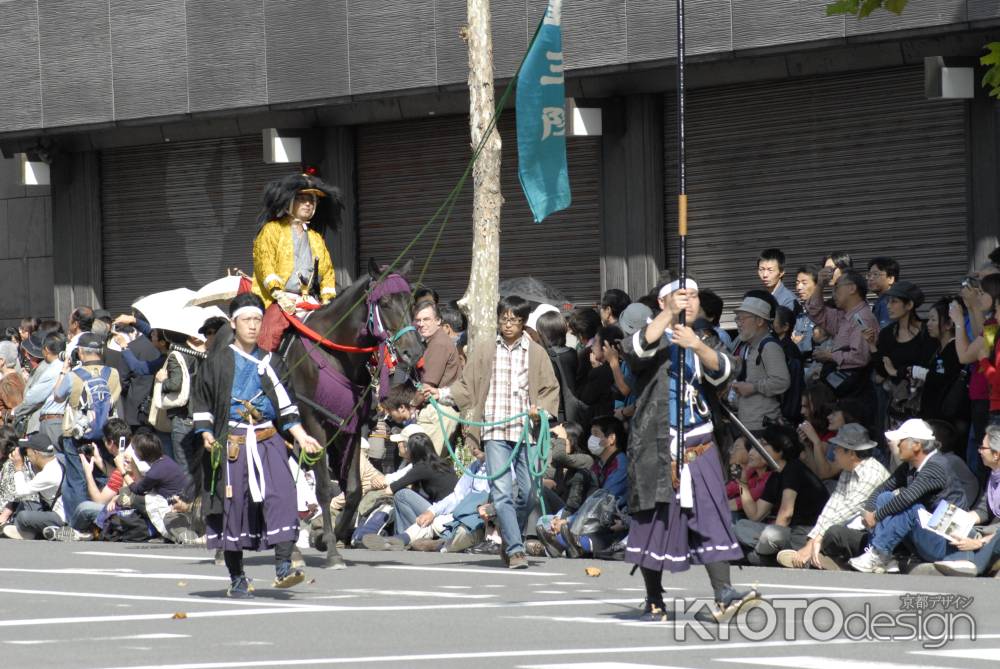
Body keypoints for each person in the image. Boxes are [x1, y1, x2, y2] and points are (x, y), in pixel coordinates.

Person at [621, 277, 756, 623]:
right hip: (658, 444)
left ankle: (724, 594)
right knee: (656, 520)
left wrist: (696, 344)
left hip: (701, 442)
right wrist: (667, 315)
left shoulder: (705, 338)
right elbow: (634, 351)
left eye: (694, 295)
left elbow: (723, 372)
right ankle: (654, 598)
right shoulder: (654, 336)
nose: (690, 301)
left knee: (714, 516)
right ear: (664, 302)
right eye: (682, 296)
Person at [191, 292, 324, 597]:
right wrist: (206, 433)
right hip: (233, 443)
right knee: (232, 508)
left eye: (257, 320)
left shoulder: (272, 361)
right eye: (246, 320)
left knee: (283, 495)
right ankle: (237, 577)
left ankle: (283, 567)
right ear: (233, 323)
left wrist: (302, 436)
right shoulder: (217, 361)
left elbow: (287, 406)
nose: (252, 326)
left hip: (267, 438)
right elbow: (203, 400)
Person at [425, 295, 560, 570]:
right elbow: (466, 387)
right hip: (495, 432)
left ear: (523, 322)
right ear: (498, 318)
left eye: (515, 319)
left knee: (531, 493)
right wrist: (439, 393)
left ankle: (512, 536)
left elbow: (550, 390)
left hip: (525, 433)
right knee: (501, 492)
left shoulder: (536, 353)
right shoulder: (486, 350)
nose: (508, 324)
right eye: (504, 318)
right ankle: (515, 549)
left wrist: (541, 411)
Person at [848, 419, 970, 573]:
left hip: (947, 543)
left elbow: (907, 497)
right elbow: (882, 488)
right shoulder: (911, 466)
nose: (897, 445)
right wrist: (869, 510)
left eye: (901, 441)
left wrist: (876, 516)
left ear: (917, 445)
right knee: (885, 497)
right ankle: (882, 555)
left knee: (912, 507)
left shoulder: (936, 466)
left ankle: (879, 553)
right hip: (929, 532)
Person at [776, 423, 889, 570]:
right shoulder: (848, 470)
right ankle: (820, 558)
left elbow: (846, 511)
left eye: (838, 448)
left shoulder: (871, 473)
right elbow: (833, 505)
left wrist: (815, 540)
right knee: (813, 534)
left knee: (833, 533)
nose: (834, 451)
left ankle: (818, 559)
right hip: (851, 525)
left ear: (852, 453)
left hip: (871, 535)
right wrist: (812, 539)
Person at [252, 172, 341, 351]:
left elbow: (328, 273)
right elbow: (265, 265)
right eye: (302, 198)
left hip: (310, 301)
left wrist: (328, 301)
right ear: (289, 201)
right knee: (270, 335)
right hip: (281, 300)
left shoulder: (316, 238)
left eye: (312, 200)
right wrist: (279, 294)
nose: (308, 203)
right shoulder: (272, 230)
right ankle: (262, 372)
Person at [733, 423, 829, 566]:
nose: (759, 449)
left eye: (764, 445)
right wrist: (742, 484)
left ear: (780, 450)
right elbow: (755, 515)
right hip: (790, 532)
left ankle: (761, 557)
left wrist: (769, 538)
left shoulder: (793, 468)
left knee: (770, 534)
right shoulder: (775, 476)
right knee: (740, 526)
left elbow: (786, 514)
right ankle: (769, 557)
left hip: (808, 533)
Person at [52, 332, 122, 525]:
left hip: (76, 434)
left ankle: (78, 524)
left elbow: (57, 395)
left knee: (77, 479)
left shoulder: (74, 376)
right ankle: (102, 521)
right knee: (101, 474)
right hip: (105, 435)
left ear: (81, 352)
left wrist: (64, 370)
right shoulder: (113, 374)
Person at [361, 432, 459, 550]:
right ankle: (407, 537)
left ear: (414, 451)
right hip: (449, 510)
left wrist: (370, 489)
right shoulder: (443, 463)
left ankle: (402, 537)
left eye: (407, 447)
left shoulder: (422, 467)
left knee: (402, 494)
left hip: (440, 512)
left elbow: (391, 489)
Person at [933, 424, 1000, 577]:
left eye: (983, 448)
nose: (979, 451)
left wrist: (980, 542)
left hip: (996, 534)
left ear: (996, 454)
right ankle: (958, 561)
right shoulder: (995, 476)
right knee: (952, 528)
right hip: (991, 532)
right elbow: (984, 510)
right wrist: (957, 519)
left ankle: (975, 565)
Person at [808, 267, 878, 401]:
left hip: (855, 393)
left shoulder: (862, 317)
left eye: (837, 287)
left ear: (852, 288)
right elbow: (815, 311)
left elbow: (860, 357)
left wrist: (830, 356)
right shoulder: (845, 315)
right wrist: (820, 285)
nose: (833, 293)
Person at [872, 281, 935, 427]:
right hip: (896, 405)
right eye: (888, 302)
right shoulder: (887, 334)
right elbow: (882, 371)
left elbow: (928, 368)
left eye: (894, 302)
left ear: (909, 305)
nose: (888, 306)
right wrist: (871, 346)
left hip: (923, 403)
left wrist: (895, 372)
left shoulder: (928, 332)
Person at [730, 291, 790, 431]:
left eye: (742, 318)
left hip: (763, 425)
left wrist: (753, 387)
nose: (738, 323)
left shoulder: (769, 346)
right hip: (750, 423)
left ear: (760, 321)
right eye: (737, 319)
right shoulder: (750, 347)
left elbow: (782, 381)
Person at [2, 433, 66, 540]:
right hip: (53, 510)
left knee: (23, 517)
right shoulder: (56, 461)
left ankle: (33, 533)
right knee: (25, 504)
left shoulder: (49, 473)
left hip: (60, 517)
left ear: (35, 453)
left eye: (27, 451)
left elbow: (20, 492)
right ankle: (38, 531)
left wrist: (18, 467)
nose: (26, 454)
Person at [919, 298, 968, 433]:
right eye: (928, 319)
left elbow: (941, 378)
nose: (928, 324)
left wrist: (917, 373)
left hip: (946, 421)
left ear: (948, 324)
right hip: (934, 417)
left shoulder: (954, 349)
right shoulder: (937, 348)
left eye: (933, 320)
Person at [414, 300, 462, 389]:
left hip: (439, 400)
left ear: (438, 320)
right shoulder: (432, 340)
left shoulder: (439, 343)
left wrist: (413, 403)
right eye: (418, 320)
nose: (421, 324)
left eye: (426, 319)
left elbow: (426, 387)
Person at [867, 257, 900, 330]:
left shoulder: (888, 302)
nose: (871, 278)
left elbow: (885, 331)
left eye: (876, 274)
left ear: (891, 279)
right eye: (869, 275)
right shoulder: (882, 300)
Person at [792, 265, 819, 354]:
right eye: (797, 283)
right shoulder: (800, 316)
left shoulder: (824, 314)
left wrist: (799, 343)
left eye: (804, 283)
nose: (799, 287)